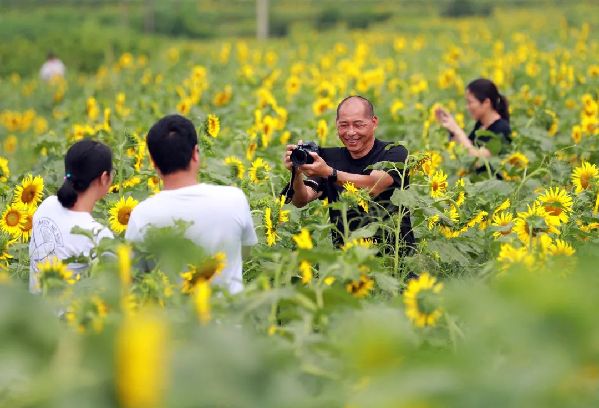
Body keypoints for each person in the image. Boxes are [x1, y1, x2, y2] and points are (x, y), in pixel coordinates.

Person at [125, 114, 257, 294]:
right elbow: (245, 253)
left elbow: (134, 278)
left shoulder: (142, 215)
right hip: (231, 317)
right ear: (195, 153)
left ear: (154, 163)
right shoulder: (235, 199)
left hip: (175, 319)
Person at [283, 95, 415, 253]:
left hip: (396, 261)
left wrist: (329, 173)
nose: (351, 132)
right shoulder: (328, 158)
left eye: (358, 125)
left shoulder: (394, 153)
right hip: (348, 264)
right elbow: (301, 199)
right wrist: (297, 172)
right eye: (344, 125)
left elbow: (374, 185)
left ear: (374, 122)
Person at [29, 140, 114, 293]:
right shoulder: (98, 235)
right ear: (104, 178)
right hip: (69, 316)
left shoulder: (46, 206)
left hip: (35, 313)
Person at [435, 78, 511, 162]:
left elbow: (478, 159)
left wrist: (457, 130)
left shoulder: (501, 128)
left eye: (470, 102)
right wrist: (450, 127)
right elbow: (466, 147)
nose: (467, 107)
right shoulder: (481, 125)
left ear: (486, 103)